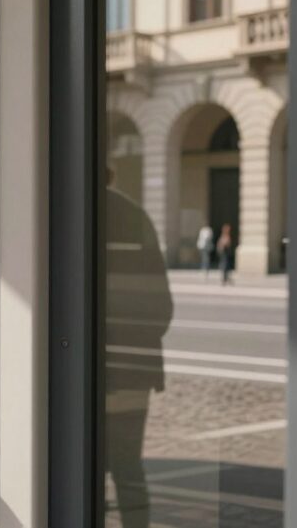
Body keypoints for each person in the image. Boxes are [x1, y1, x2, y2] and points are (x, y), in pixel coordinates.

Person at [105, 167, 173, 528]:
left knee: (78, 471)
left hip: (82, 374)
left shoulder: (63, 209)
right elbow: (161, 308)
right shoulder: (135, 216)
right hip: (133, 373)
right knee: (129, 468)